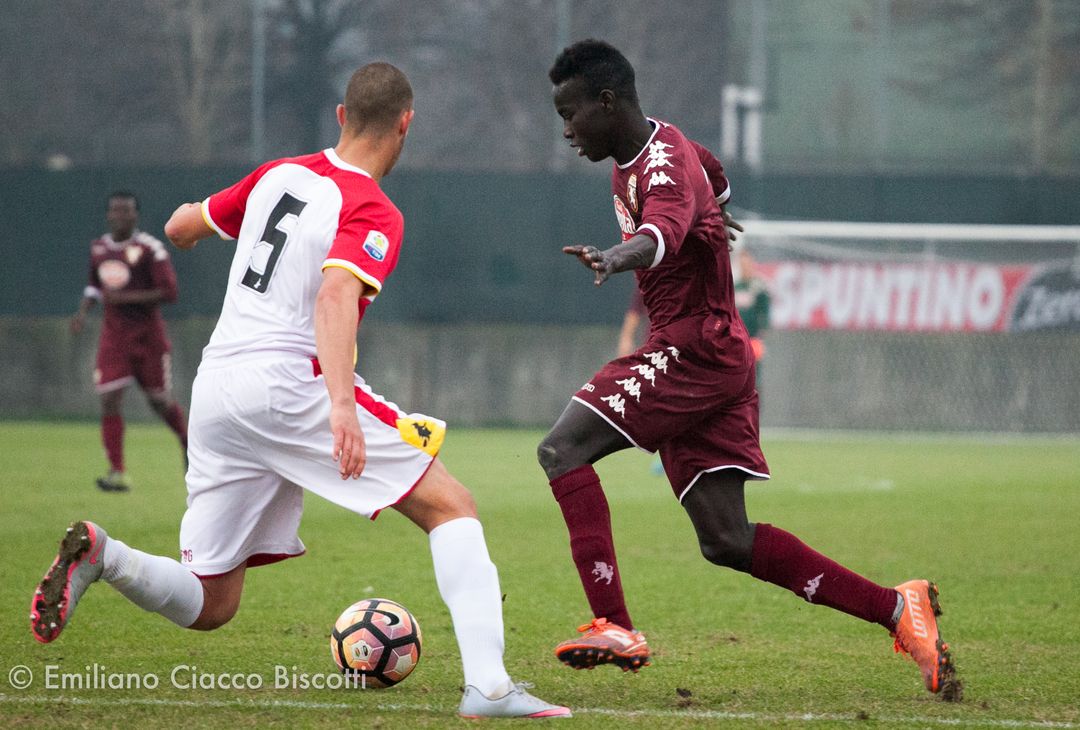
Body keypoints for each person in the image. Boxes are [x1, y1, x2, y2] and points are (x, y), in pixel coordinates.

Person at [31, 63, 570, 720]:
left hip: (219, 389)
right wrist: (341, 405)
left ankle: (105, 555)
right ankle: (489, 688)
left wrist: (199, 217)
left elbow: (178, 228)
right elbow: (337, 293)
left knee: (212, 600)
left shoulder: (277, 174)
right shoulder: (373, 208)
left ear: (341, 118)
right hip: (290, 383)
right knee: (451, 506)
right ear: (406, 124)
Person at [538, 39, 960, 701]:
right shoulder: (669, 147)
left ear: (608, 101)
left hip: (689, 353)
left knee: (562, 449)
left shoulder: (664, 167)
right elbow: (716, 181)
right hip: (715, 355)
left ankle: (614, 624)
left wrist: (616, 258)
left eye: (571, 114)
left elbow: (661, 233)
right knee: (727, 540)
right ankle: (896, 609)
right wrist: (717, 213)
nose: (565, 130)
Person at [70, 191, 189, 492]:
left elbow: (169, 292)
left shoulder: (150, 249)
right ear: (108, 214)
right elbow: (94, 286)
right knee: (109, 399)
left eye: (126, 211)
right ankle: (117, 472)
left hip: (148, 338)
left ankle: (190, 444)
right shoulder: (98, 249)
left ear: (136, 215)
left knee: (160, 402)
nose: (119, 216)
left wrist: (124, 298)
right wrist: (83, 313)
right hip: (114, 338)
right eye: (115, 211)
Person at [732, 244, 770, 388]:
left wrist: (762, 331)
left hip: (753, 339)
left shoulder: (758, 287)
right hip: (736, 341)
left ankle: (755, 408)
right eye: (742, 262)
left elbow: (765, 312)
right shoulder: (735, 287)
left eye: (747, 261)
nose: (744, 265)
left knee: (754, 378)